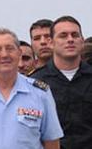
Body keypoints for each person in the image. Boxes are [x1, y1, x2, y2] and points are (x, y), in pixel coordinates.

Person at [31, 16, 92, 148]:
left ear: (82, 41)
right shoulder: (35, 82)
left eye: (75, 35)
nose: (70, 39)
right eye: (63, 36)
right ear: (51, 43)